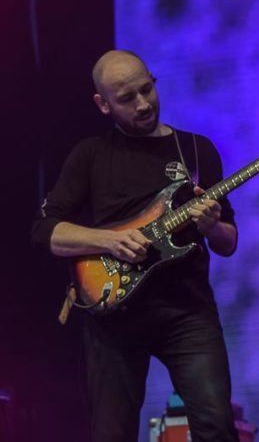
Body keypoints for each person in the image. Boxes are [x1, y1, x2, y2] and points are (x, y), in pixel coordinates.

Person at [31, 50, 239, 442]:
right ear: (103, 104)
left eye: (147, 90)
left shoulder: (195, 150)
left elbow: (228, 243)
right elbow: (45, 231)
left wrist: (212, 227)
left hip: (188, 312)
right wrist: (108, 239)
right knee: (112, 434)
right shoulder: (91, 154)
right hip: (115, 317)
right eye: (127, 98)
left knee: (216, 428)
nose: (143, 104)